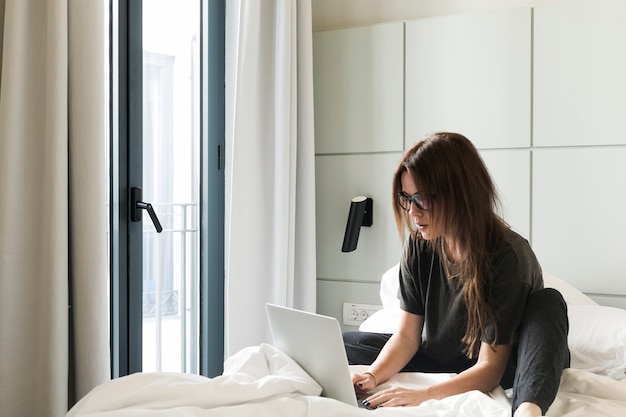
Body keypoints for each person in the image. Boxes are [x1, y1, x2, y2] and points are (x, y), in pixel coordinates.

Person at [343, 132, 570, 417]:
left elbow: (489, 370)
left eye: (422, 199)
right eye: (406, 198)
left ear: (459, 194)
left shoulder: (508, 254)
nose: (413, 212)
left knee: (549, 302)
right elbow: (406, 336)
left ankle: (528, 409)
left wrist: (423, 395)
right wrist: (372, 376)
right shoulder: (419, 245)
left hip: (509, 367)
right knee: (345, 342)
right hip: (442, 357)